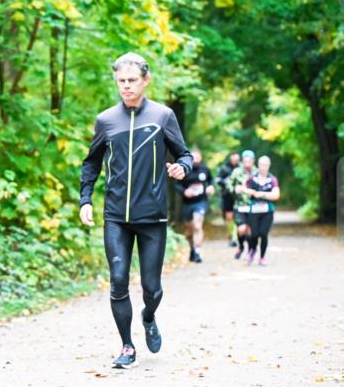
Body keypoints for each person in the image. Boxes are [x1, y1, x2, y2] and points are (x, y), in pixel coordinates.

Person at [79, 52, 192, 369]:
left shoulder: (163, 116)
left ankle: (149, 316)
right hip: (115, 217)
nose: (125, 86)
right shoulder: (106, 120)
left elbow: (184, 155)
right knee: (117, 280)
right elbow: (91, 163)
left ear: (145, 80)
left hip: (152, 217)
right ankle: (127, 346)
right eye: (120, 81)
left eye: (131, 80)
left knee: (152, 288)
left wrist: (182, 167)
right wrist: (85, 199)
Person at [236, 155, 280, 265]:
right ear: (258, 165)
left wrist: (263, 194)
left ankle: (262, 257)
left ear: (269, 166)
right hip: (254, 210)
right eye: (261, 165)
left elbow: (276, 195)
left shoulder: (272, 180)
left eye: (265, 165)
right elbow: (240, 188)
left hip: (267, 211)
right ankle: (251, 250)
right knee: (254, 234)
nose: (263, 167)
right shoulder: (252, 179)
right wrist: (249, 192)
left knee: (263, 233)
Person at [175, 147, 215, 263]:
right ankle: (192, 249)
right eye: (193, 157)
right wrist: (185, 192)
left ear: (201, 158)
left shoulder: (205, 169)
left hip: (200, 202)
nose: (196, 159)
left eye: (198, 157)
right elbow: (177, 185)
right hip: (187, 203)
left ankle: (197, 252)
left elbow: (211, 181)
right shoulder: (184, 170)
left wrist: (211, 187)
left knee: (197, 226)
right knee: (189, 231)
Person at [226, 150, 256, 260]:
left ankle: (250, 250)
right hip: (239, 206)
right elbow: (228, 186)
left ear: (253, 161)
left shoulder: (257, 172)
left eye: (250, 160)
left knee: (250, 230)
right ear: (242, 161)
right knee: (241, 229)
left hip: (253, 206)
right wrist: (235, 189)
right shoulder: (236, 172)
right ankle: (241, 246)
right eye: (245, 160)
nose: (247, 162)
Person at [216, 151, 240, 246]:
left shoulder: (241, 168)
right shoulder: (224, 168)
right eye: (233, 159)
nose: (235, 161)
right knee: (229, 217)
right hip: (227, 196)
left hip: (238, 196)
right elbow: (218, 180)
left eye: (237, 159)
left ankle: (237, 237)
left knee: (238, 217)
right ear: (230, 158)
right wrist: (225, 182)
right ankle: (231, 237)